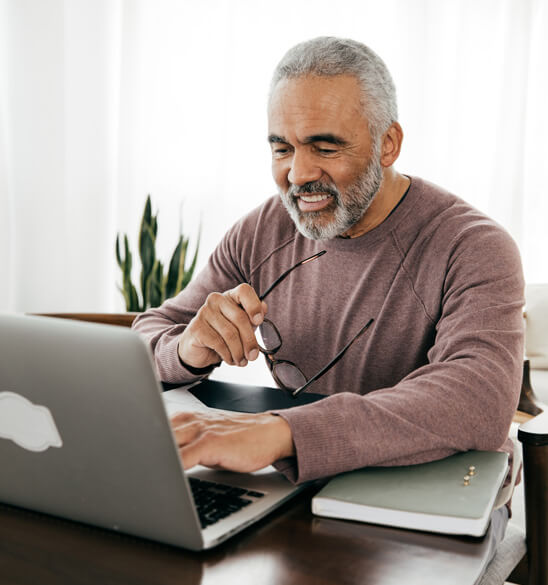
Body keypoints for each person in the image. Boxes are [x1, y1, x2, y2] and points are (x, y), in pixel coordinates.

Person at [132, 37, 523, 552]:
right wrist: (186, 348)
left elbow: (476, 399)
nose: (298, 175)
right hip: (303, 492)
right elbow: (148, 335)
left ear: (388, 143)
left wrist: (281, 433)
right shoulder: (260, 230)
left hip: (437, 504)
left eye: (325, 147)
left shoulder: (474, 245)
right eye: (281, 148)